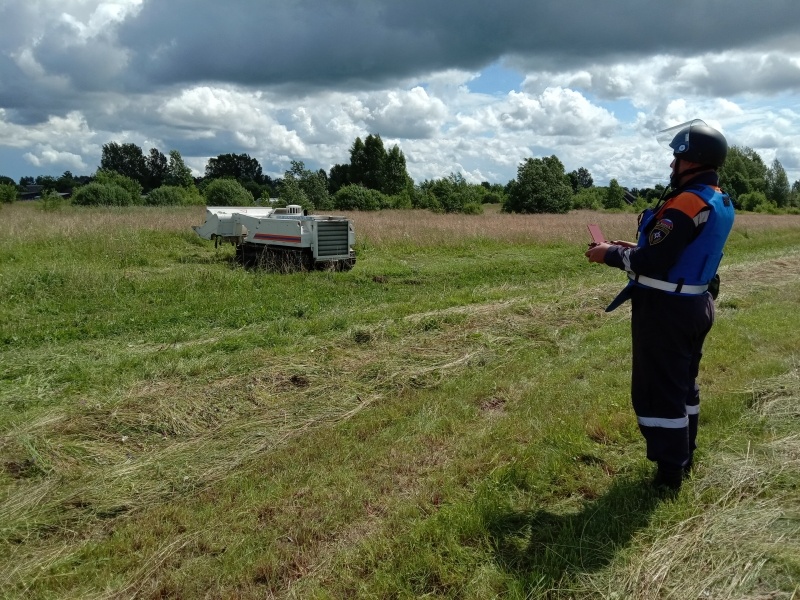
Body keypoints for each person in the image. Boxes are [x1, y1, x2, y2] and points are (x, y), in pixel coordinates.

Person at [585, 119, 735, 491]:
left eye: (676, 159)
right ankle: (684, 457)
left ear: (693, 160)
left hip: (666, 310)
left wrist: (608, 254)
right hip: (695, 303)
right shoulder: (717, 198)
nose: (672, 166)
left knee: (659, 392)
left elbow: (654, 263)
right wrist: (635, 248)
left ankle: (669, 477)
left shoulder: (686, 201)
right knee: (684, 387)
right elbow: (675, 251)